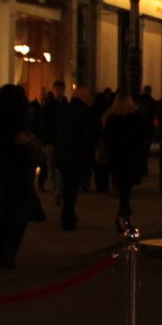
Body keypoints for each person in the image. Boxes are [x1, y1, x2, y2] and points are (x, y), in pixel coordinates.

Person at [0, 83, 44, 270]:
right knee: (18, 217)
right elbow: (31, 157)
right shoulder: (20, 129)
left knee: (3, 216)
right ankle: (9, 253)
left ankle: (4, 252)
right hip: (18, 179)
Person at [101, 88, 151, 233]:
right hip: (131, 159)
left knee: (124, 190)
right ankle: (124, 217)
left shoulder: (111, 119)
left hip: (117, 159)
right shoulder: (136, 118)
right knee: (126, 191)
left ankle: (123, 217)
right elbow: (143, 137)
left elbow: (107, 140)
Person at [53, 84, 98, 232]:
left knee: (67, 186)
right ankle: (68, 216)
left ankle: (67, 214)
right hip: (77, 157)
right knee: (72, 189)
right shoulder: (86, 113)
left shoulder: (63, 110)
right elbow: (89, 138)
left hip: (63, 156)